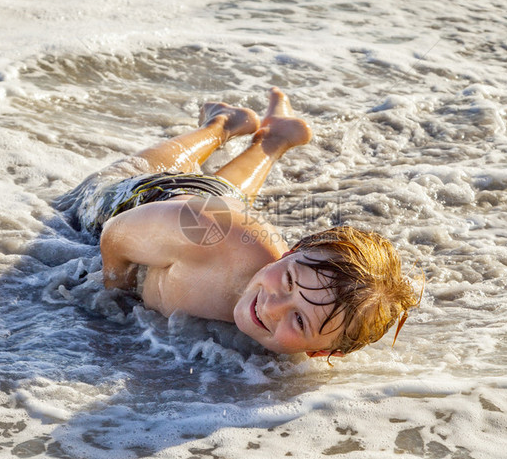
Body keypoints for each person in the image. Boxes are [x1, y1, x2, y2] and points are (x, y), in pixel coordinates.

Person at [56, 88, 418, 358]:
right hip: (149, 203)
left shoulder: (324, 325)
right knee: (126, 176)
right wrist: (113, 290)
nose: (272, 308)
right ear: (289, 253)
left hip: (221, 215)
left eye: (300, 322)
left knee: (226, 196)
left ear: (323, 353)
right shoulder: (214, 236)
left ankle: (276, 138)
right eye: (289, 280)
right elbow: (116, 233)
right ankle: (221, 124)